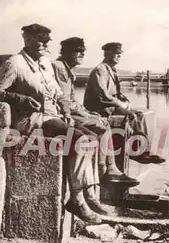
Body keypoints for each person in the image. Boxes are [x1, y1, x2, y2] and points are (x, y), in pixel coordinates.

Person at [0, 23, 104, 223]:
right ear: (27, 39)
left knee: (91, 138)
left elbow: (58, 92)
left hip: (53, 116)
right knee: (80, 140)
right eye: (41, 39)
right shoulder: (14, 64)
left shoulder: (46, 63)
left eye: (47, 40)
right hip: (33, 120)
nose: (46, 43)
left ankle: (88, 194)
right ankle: (77, 199)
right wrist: (19, 99)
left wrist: (65, 107)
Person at [51, 37, 140, 213]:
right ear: (66, 52)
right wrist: (82, 113)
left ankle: (105, 174)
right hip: (60, 115)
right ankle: (105, 171)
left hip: (71, 111)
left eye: (83, 50)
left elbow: (71, 100)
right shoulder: (60, 68)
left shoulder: (67, 70)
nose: (82, 54)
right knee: (99, 127)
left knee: (99, 127)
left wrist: (85, 112)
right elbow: (63, 101)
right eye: (78, 50)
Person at [83, 42, 165, 164]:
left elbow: (116, 93)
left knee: (140, 115)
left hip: (110, 105)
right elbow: (102, 95)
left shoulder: (111, 70)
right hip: (100, 107)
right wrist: (120, 104)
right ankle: (137, 153)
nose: (119, 57)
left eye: (120, 55)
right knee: (131, 116)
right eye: (117, 55)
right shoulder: (100, 70)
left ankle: (143, 151)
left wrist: (125, 101)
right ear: (107, 54)